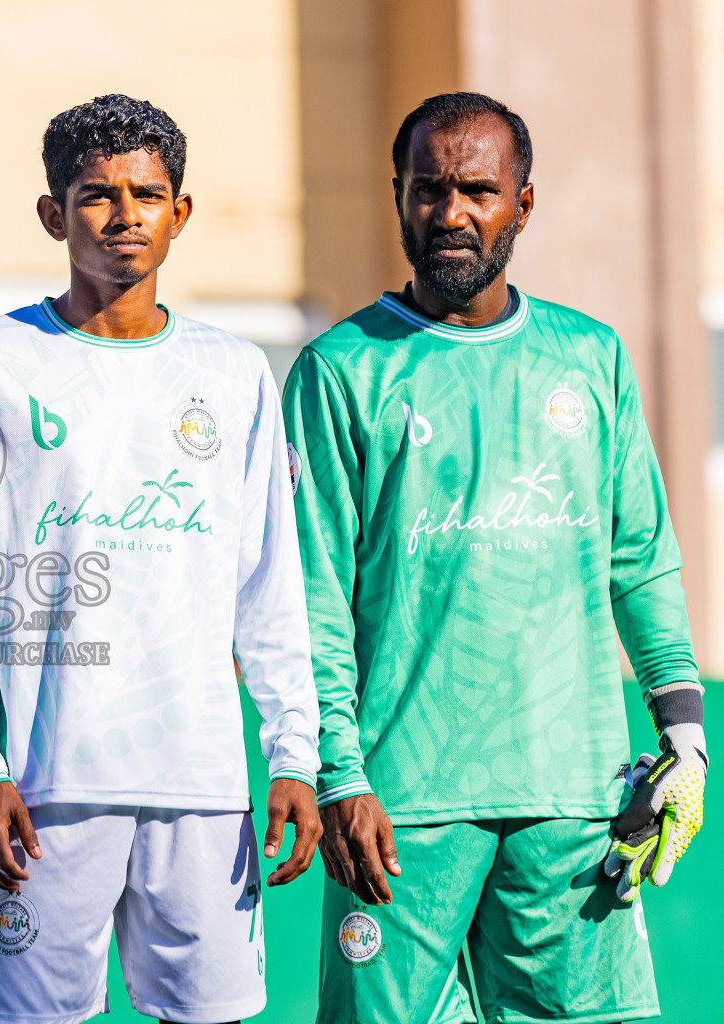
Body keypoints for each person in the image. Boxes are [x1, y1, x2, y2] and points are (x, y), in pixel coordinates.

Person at [283, 91, 706, 1024]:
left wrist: (683, 731)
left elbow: (638, 556)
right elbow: (310, 596)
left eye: (478, 189)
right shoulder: (341, 369)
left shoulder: (589, 357)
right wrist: (340, 774)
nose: (452, 213)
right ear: (398, 198)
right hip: (402, 807)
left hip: (575, 794)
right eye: (429, 190)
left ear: (522, 202)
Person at [0, 94, 322, 1024]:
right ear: (52, 213)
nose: (124, 216)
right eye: (96, 194)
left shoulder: (232, 375)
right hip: (46, 782)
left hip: (205, 784)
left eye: (146, 194)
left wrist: (293, 755)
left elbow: (270, 587)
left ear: (180, 213)